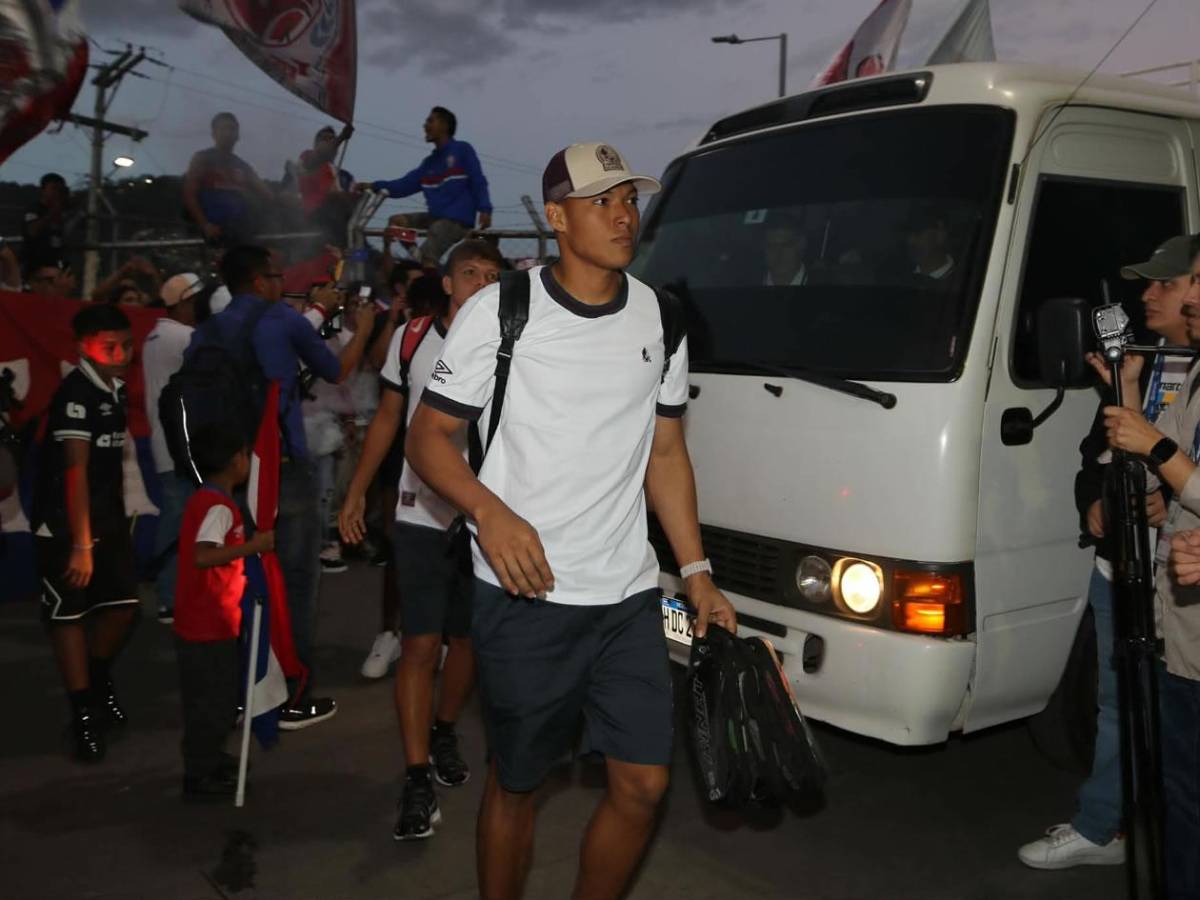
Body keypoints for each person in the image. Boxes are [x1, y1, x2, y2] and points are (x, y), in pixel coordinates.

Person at [405, 142, 737, 898]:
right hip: (525, 596)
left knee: (644, 785)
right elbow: (428, 437)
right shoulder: (503, 310)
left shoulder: (663, 316)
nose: (625, 216)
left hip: (624, 596)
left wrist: (695, 573)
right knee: (517, 786)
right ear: (556, 218)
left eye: (630, 200)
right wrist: (490, 513)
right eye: (603, 202)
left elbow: (667, 454)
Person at [1018, 234, 1195, 870]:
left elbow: (1175, 467)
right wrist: (1097, 502)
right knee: (1117, 704)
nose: (1147, 296)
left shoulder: (1191, 375)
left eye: (1165, 285)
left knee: (1176, 721)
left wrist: (1166, 498)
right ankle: (1103, 827)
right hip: (1118, 569)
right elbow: (1095, 458)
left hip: (1179, 585)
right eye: (1146, 284)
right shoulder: (1136, 366)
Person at [340, 239, 502, 839]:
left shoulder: (512, 343)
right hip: (419, 511)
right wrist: (358, 489)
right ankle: (415, 779)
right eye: (471, 273)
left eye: (492, 275)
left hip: (484, 515)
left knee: (468, 642)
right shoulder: (412, 338)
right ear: (448, 280)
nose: (482, 283)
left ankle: (443, 730)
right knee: (419, 643)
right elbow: (388, 416)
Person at [188, 245, 374, 729]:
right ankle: (291, 691)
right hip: (281, 468)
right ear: (258, 281)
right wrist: (367, 329)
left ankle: (239, 688)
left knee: (237, 578)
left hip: (226, 473)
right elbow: (336, 370)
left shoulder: (207, 331)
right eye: (275, 276)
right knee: (293, 580)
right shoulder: (279, 321)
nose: (280, 284)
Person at [1100, 236, 1200, 900]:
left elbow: (1175, 459)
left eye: (1187, 282)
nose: (1174, 297)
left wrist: (1155, 444)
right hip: (1182, 628)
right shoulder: (1189, 370)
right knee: (1180, 793)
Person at [31, 304, 138, 763]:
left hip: (106, 518)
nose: (120, 355)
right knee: (70, 615)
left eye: (126, 345)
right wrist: (80, 543)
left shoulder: (113, 390)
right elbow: (75, 469)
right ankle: (84, 717)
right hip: (65, 525)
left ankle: (95, 679)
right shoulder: (75, 394)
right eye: (108, 347)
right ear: (83, 347)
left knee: (122, 609)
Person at [174, 423, 274, 798]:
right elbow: (204, 555)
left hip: (210, 621)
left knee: (212, 698)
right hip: (207, 625)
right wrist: (252, 546)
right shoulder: (219, 506)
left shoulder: (207, 500)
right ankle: (199, 775)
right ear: (235, 460)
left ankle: (209, 759)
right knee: (210, 704)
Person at [144, 272, 203, 623]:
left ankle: (173, 594)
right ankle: (169, 596)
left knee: (179, 518)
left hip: (167, 442)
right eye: (195, 301)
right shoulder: (184, 336)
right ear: (183, 302)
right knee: (178, 520)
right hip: (179, 444)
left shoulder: (156, 333)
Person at [362, 107, 493, 266]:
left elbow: (478, 179)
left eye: (430, 121)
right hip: (435, 217)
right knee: (396, 222)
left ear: (444, 125)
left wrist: (485, 208)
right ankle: (420, 260)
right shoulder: (429, 163)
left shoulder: (462, 150)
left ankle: (426, 264)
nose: (425, 126)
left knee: (434, 238)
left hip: (456, 221)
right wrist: (372, 185)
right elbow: (402, 186)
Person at [183, 113, 277, 246]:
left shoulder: (242, 165)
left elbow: (268, 194)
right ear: (214, 134)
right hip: (216, 232)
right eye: (223, 129)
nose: (228, 133)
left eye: (232, 129)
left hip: (242, 230)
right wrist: (205, 225)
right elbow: (189, 194)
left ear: (237, 135)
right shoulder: (202, 158)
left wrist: (285, 197)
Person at [22, 172, 70, 274]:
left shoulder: (61, 211)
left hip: (55, 262)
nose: (57, 193)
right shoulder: (34, 208)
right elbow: (32, 231)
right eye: (53, 188)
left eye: (59, 190)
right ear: (43, 190)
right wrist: (52, 213)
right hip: (35, 263)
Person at [905, 204, 956, 281]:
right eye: (908, 233)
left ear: (940, 234)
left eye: (918, 233)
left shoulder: (964, 282)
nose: (910, 241)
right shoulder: (898, 274)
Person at [763, 213, 809, 286]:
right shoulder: (749, 280)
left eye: (786, 245)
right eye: (772, 246)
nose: (778, 254)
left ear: (801, 245)